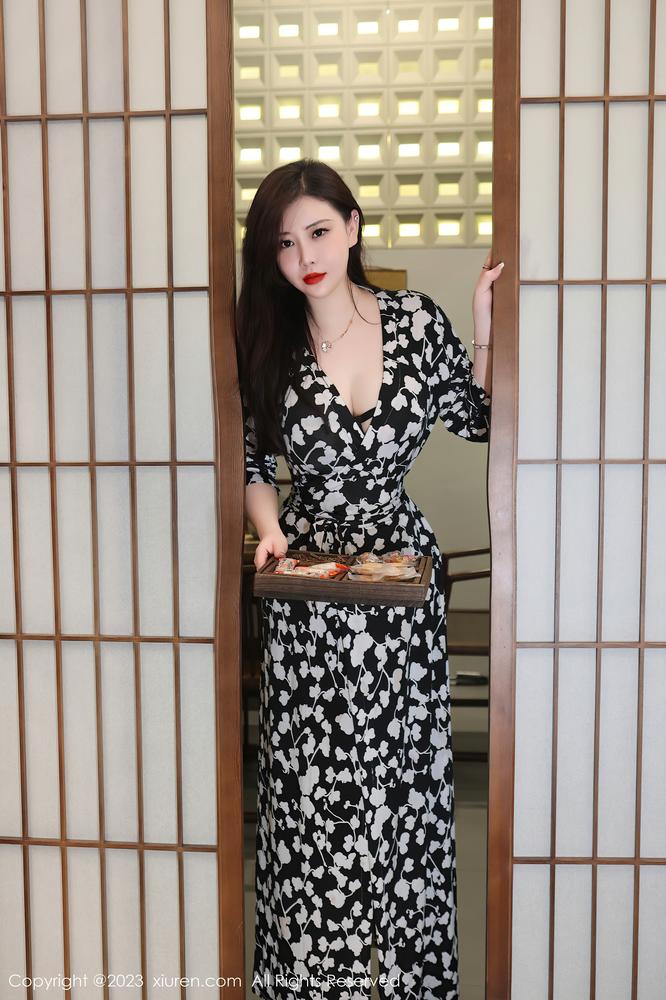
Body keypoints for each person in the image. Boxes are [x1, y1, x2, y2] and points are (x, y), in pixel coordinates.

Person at [236, 159, 503, 1000]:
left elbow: (476, 418)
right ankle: (318, 981)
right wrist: (270, 528)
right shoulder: (270, 338)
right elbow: (251, 459)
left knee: (403, 783)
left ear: (352, 227)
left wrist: (482, 324)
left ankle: (408, 979)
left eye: (319, 232)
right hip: (309, 584)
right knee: (316, 796)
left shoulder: (415, 321)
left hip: (399, 583)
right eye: (285, 243)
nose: (305, 256)